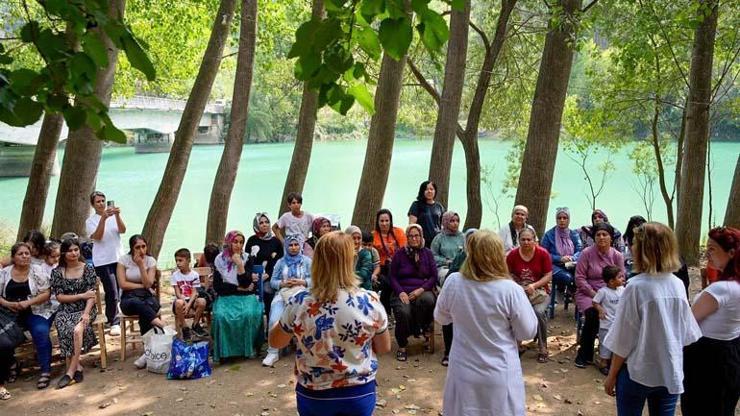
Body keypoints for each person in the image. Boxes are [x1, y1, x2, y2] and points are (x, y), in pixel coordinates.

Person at [268, 231, 390, 416]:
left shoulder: (300, 302)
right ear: (351, 261)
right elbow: (383, 347)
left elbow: (276, 342)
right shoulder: (370, 301)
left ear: (317, 262)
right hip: (358, 393)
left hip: (314, 395)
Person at [602, 222, 701, 415]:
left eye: (635, 243)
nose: (631, 247)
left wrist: (612, 375)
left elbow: (624, 339)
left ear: (644, 249)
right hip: (668, 371)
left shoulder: (635, 287)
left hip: (637, 372)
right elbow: (687, 333)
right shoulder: (677, 285)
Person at [435, 230, 537, 415]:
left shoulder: (453, 282)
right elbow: (528, 331)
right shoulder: (510, 290)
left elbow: (441, 317)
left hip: (463, 371)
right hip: (499, 372)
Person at [681, 226, 740, 416]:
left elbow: (687, 324)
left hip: (707, 358)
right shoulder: (734, 285)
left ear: (731, 253)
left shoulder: (721, 290)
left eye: (713, 248)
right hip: (730, 353)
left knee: (700, 407)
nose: (707, 253)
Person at [0, 242, 56, 389]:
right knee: (4, 337)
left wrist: (28, 302)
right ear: (13, 257)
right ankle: (12, 364)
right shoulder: (5, 272)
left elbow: (47, 293)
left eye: (27, 253)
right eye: (20, 254)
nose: (25, 256)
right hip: (9, 313)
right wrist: (8, 304)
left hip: (37, 310)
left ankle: (45, 371)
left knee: (40, 331)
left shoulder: (37, 270)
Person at [574, 222, 625, 369]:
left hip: (612, 292)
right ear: (594, 238)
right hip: (588, 293)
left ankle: (612, 355)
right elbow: (579, 278)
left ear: (610, 238)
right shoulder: (586, 253)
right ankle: (585, 353)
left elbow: (622, 277)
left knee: (620, 315)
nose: (601, 237)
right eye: (598, 235)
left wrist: (611, 292)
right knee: (593, 314)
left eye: (605, 234)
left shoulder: (617, 256)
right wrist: (594, 293)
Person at [50, 238, 99, 389]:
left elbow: (91, 295)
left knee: (77, 330)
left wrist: (85, 314)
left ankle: (70, 371)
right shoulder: (57, 272)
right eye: (70, 250)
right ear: (64, 253)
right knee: (64, 327)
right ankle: (77, 366)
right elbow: (59, 297)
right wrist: (80, 295)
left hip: (86, 308)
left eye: (76, 250)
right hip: (65, 309)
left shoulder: (88, 268)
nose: (73, 253)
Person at [212, 230, 264, 362]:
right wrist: (239, 288)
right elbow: (219, 287)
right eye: (235, 242)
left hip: (246, 297)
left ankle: (248, 349)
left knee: (248, 314)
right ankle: (225, 352)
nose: (238, 245)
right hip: (226, 297)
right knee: (221, 316)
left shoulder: (247, 258)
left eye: (241, 242)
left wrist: (240, 265)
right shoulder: (219, 260)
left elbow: (246, 283)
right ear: (229, 242)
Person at [262, 234, 312, 367]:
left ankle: (307, 350)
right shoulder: (280, 262)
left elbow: (315, 281)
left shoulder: (307, 261)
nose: (294, 247)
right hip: (282, 294)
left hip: (302, 294)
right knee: (274, 319)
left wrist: (301, 281)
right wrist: (283, 284)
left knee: (307, 319)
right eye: (290, 245)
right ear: (286, 246)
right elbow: (272, 282)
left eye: (296, 244)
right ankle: (272, 352)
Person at [389, 224, 437, 361]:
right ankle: (402, 345)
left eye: (417, 235)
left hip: (422, 289)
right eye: (411, 236)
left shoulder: (427, 253)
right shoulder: (400, 254)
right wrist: (400, 292)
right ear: (407, 237)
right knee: (403, 311)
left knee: (427, 300)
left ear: (421, 236)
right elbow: (392, 277)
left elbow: (434, 276)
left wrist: (421, 289)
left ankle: (419, 329)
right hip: (402, 291)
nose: (414, 238)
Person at [506, 228, 553, 363]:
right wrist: (517, 286)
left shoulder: (543, 254)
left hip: (540, 292)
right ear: (518, 240)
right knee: (513, 312)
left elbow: (548, 275)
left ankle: (543, 346)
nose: (526, 242)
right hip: (519, 291)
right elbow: (506, 273)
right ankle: (516, 344)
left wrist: (534, 285)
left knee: (538, 312)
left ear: (534, 240)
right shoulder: (513, 255)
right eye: (523, 239)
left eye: (529, 239)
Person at [117, 234, 164, 368]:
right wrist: (142, 286)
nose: (141, 250)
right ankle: (158, 323)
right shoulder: (123, 260)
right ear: (132, 248)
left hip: (146, 296)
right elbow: (123, 284)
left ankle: (147, 353)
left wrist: (141, 266)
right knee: (138, 305)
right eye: (137, 247)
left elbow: (149, 283)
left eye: (143, 246)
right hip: (129, 297)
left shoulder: (150, 261)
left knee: (146, 309)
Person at [86, 191, 126, 336]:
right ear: (93, 204)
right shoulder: (90, 221)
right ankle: (114, 321)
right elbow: (97, 237)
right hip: (103, 260)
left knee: (121, 289)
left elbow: (122, 230)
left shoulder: (113, 217)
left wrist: (117, 215)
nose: (102, 204)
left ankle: (119, 316)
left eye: (103, 201)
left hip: (118, 257)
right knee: (112, 291)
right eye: (98, 202)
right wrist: (103, 219)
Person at [438, 228, 477, 366]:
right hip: (460, 296)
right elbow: (450, 277)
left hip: (477, 299)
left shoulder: (485, 258)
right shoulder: (461, 256)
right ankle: (448, 352)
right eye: (469, 240)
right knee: (448, 317)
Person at [541, 207, 582, 318]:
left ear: (569, 220)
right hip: (554, 265)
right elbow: (543, 254)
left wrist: (573, 258)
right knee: (568, 278)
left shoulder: (574, 234)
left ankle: (578, 302)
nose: (562, 220)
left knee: (579, 277)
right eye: (559, 218)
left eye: (565, 218)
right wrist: (559, 258)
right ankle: (574, 296)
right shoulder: (549, 235)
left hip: (571, 264)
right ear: (556, 219)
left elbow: (580, 250)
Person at [246, 213, 284, 319]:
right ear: (257, 225)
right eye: (261, 222)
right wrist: (252, 274)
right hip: (253, 276)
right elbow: (247, 260)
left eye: (267, 222)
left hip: (270, 276)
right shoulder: (251, 240)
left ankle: (271, 324)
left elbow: (278, 262)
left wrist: (268, 274)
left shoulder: (275, 242)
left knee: (268, 291)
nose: (264, 225)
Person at [591, 265, 625, 376]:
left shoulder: (622, 290)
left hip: (619, 323)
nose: (623, 279)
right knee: (605, 343)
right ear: (611, 281)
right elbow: (595, 302)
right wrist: (600, 309)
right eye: (619, 277)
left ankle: (614, 363)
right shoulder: (603, 292)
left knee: (617, 343)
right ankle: (603, 363)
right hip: (607, 323)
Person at [372, 209, 407, 314]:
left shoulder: (399, 232)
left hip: (397, 266)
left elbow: (404, 251)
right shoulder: (373, 235)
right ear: (377, 222)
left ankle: (390, 311)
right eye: (381, 221)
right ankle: (386, 312)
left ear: (390, 221)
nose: (384, 223)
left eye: (387, 220)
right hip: (380, 268)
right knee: (387, 283)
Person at [171, 248, 207, 340]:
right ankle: (184, 327)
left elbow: (195, 292)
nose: (178, 263)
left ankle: (195, 324)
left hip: (192, 299)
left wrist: (189, 304)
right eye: (176, 261)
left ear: (188, 261)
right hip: (181, 300)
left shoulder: (194, 275)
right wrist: (185, 303)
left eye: (180, 260)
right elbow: (177, 293)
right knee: (179, 302)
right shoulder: (175, 275)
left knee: (202, 301)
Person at [430, 211, 464, 286]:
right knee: (451, 278)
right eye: (452, 221)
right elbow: (432, 256)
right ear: (445, 222)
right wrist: (446, 261)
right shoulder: (439, 238)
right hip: (444, 267)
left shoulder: (463, 237)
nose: (456, 223)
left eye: (457, 221)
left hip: (462, 268)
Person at [408, 180, 445, 248]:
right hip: (421, 241)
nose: (429, 191)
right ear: (422, 191)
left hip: (437, 241)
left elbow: (442, 225)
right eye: (426, 189)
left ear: (435, 191)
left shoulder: (439, 206)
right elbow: (412, 225)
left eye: (431, 189)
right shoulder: (416, 205)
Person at [345, 226, 374, 290]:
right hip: (345, 288)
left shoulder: (366, 254)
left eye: (359, 238)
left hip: (363, 289)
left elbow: (363, 274)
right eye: (353, 238)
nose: (357, 241)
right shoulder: (343, 253)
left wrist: (345, 278)